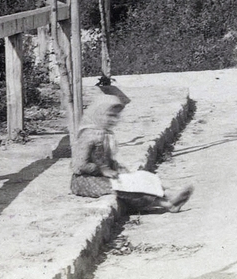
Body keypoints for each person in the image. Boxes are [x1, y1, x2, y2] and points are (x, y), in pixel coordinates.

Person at [70, 79, 193, 212]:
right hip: (86, 181)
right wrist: (101, 170)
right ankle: (167, 202)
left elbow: (105, 160)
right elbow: (78, 165)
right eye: (110, 116)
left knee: (141, 177)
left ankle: (169, 193)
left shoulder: (103, 134)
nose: (113, 120)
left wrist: (117, 167)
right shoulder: (88, 135)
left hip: (101, 176)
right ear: (98, 114)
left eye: (115, 117)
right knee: (126, 187)